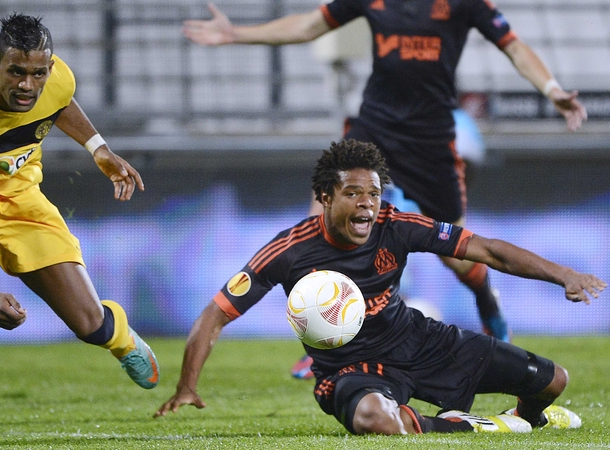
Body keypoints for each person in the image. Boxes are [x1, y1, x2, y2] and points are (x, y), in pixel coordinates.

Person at [183, 1, 589, 377]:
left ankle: (487, 301)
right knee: (319, 230)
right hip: (374, 128)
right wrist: (237, 34)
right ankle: (322, 342)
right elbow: (310, 25)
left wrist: (552, 89)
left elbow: (513, 46)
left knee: (458, 255)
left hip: (430, 142)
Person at [155, 139, 605, 436]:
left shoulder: (397, 225)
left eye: (373, 193)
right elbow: (216, 314)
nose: (367, 204)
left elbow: (487, 250)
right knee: (377, 420)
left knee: (553, 381)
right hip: (351, 369)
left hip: (418, 342)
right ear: (326, 198)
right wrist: (186, 385)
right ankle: (473, 425)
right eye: (353, 193)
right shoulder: (288, 251)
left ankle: (526, 418)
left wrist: (563, 274)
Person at [0, 13, 159, 443]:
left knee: (89, 324)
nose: (28, 85)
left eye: (38, 73)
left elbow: (60, 103)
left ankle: (118, 335)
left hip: (19, 194)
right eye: (16, 72)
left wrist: (98, 149)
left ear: (50, 67)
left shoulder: (58, 78)